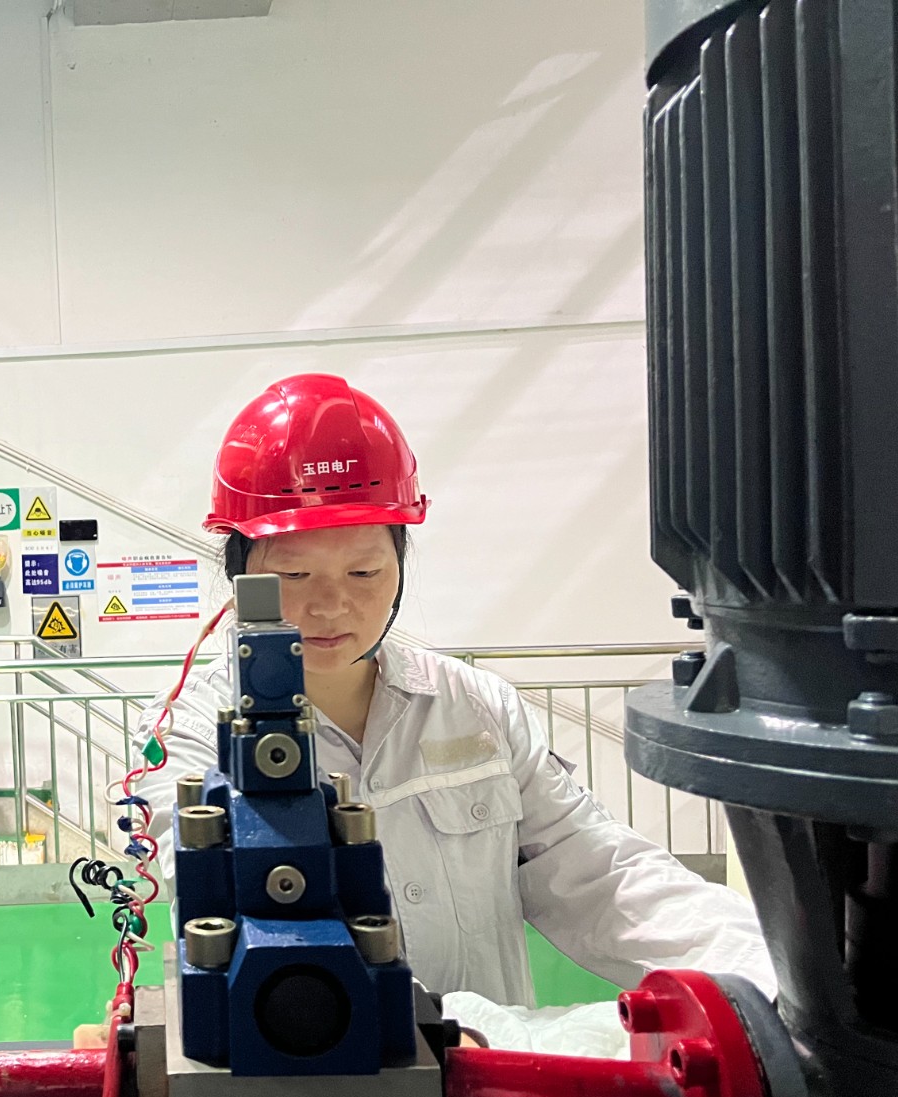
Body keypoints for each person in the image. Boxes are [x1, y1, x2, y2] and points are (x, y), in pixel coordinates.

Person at [131, 373, 773, 1044]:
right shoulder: (187, 737)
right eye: (293, 575)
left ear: (400, 563)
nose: (330, 605)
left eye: (364, 572)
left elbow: (597, 870)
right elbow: (235, 920)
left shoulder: (475, 706)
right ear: (239, 572)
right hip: (311, 1073)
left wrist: (763, 971)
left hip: (495, 1089)